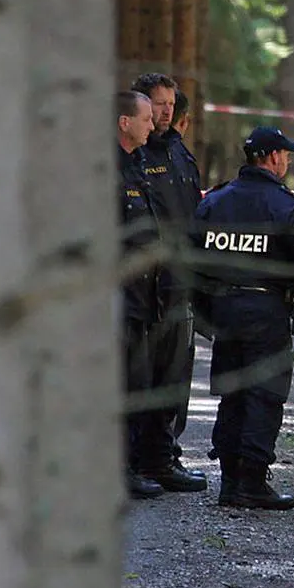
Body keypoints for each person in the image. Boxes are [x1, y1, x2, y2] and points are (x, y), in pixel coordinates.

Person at [191, 126, 294, 510]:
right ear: (270, 157)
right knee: (264, 395)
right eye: (284, 155)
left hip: (226, 312)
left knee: (232, 392)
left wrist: (204, 312)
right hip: (267, 312)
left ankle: (230, 480)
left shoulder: (216, 202)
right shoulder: (287, 206)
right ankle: (251, 480)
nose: (287, 161)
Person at [130, 72, 205, 492]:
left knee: (175, 377)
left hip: (180, 283)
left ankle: (163, 457)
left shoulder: (178, 151)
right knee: (144, 378)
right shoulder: (135, 157)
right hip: (147, 287)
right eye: (159, 104)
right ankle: (137, 461)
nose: (166, 111)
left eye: (171, 104)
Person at [115, 90, 165, 500]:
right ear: (124, 122)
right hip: (117, 299)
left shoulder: (138, 165)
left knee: (137, 384)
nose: (153, 125)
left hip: (142, 298)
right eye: (146, 118)